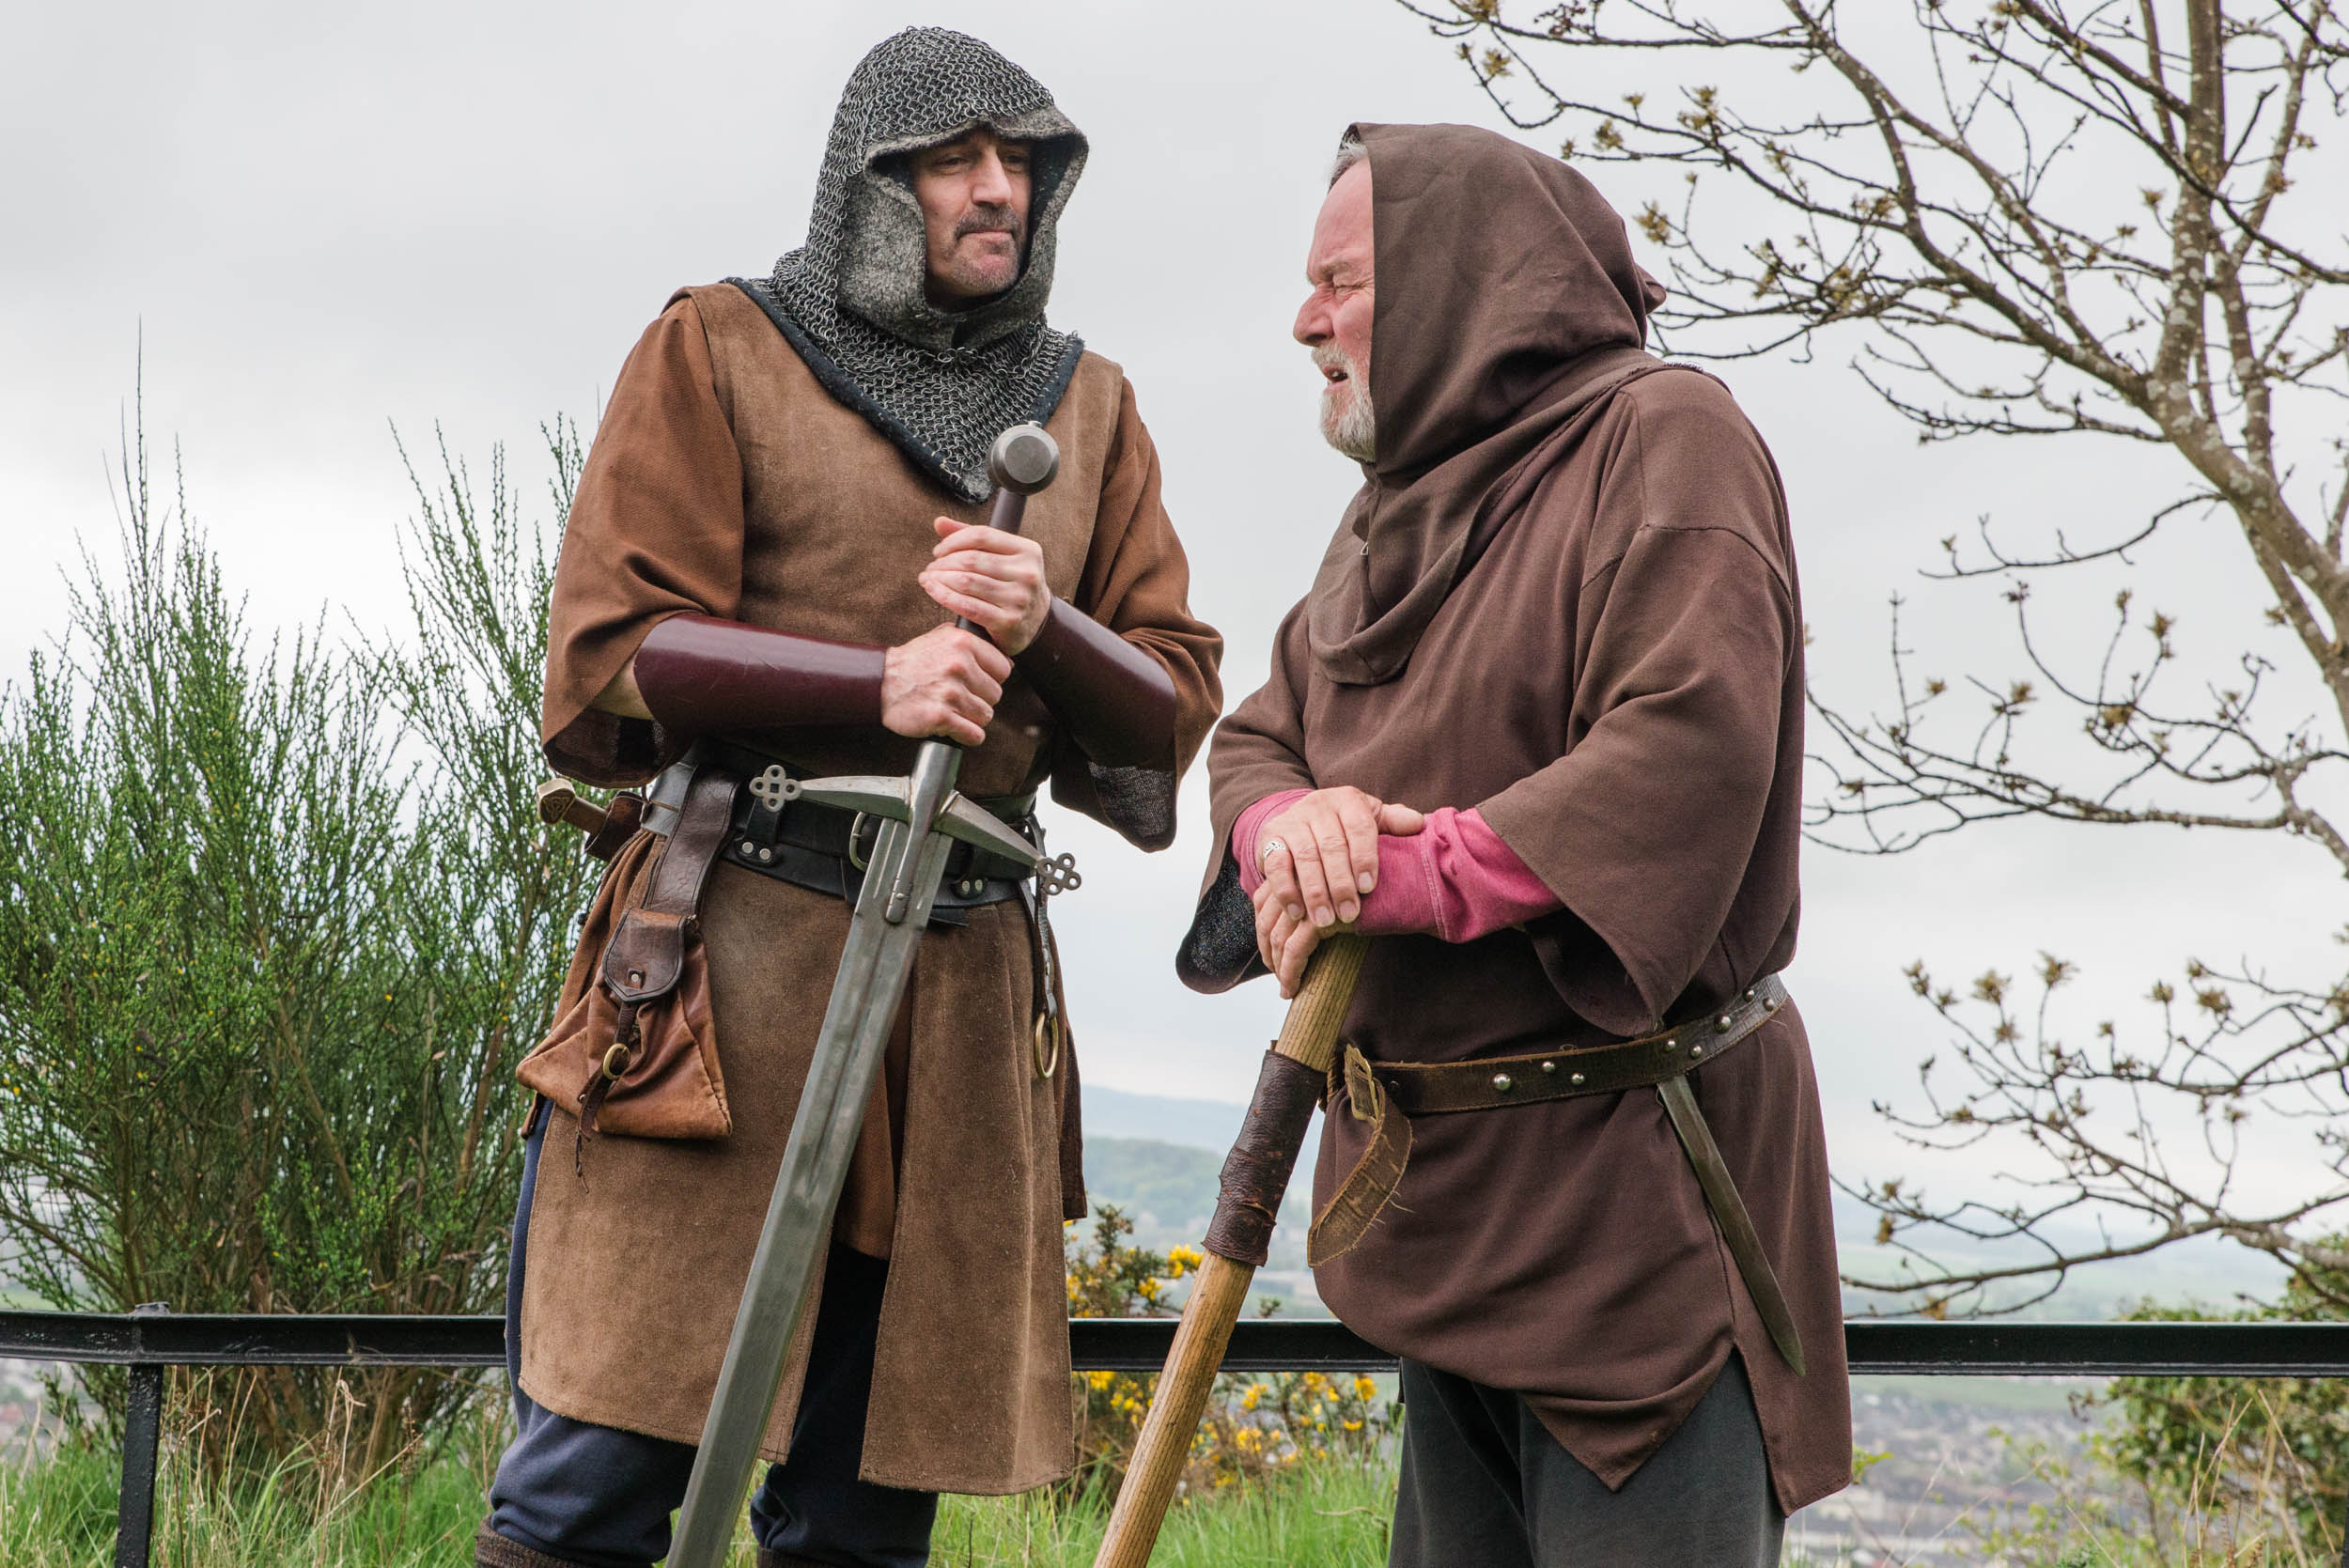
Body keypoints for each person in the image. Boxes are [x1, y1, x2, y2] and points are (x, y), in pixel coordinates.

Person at [477, 29, 1222, 1568]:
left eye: (1021, 162)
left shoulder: (1093, 409)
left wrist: (1047, 627)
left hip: (959, 1017)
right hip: (725, 973)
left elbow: (1166, 715)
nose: (996, 190)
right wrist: (869, 687)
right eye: (956, 160)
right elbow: (611, 656)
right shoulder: (719, 348)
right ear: (873, 184)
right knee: (588, 1500)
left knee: (860, 1527)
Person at [1176, 123, 1850, 1564]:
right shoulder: (1388, 515)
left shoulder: (1667, 439)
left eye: (1341, 281)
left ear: (1466, 277)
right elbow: (1256, 736)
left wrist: (1407, 871)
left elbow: (1687, 744)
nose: (1306, 321)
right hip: (1445, 1216)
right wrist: (1294, 826)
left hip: (1637, 1220)